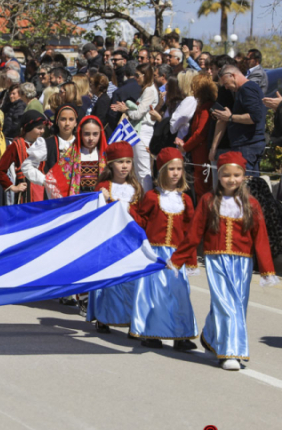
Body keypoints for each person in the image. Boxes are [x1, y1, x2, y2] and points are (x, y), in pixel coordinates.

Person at [169, 152, 278, 371]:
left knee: (237, 305)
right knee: (225, 305)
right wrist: (178, 259)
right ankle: (231, 352)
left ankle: (210, 337)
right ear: (219, 175)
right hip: (216, 260)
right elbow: (194, 233)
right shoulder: (209, 201)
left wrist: (267, 270)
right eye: (226, 175)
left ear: (244, 176)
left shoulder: (252, 204)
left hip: (243, 264)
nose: (232, 179)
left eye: (237, 175)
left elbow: (261, 238)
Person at [130, 148, 198, 349]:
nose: (176, 173)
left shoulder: (186, 200)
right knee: (155, 295)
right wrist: (127, 208)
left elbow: (190, 232)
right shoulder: (152, 197)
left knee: (179, 294)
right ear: (161, 171)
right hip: (155, 254)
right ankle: (152, 333)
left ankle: (181, 336)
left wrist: (191, 260)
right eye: (171, 169)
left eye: (179, 169)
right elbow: (142, 221)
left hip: (177, 255)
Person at [88, 141, 143, 334]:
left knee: (129, 281)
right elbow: (96, 214)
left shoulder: (136, 188)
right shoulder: (104, 186)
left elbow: (141, 216)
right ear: (111, 165)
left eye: (128, 161)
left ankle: (130, 318)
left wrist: (128, 211)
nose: (124, 166)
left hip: (129, 241)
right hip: (109, 241)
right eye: (120, 162)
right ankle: (103, 317)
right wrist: (102, 199)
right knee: (109, 281)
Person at [110, 63, 158, 191]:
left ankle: (146, 197)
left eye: (137, 75)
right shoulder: (146, 89)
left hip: (144, 130)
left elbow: (138, 114)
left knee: (143, 169)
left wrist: (125, 110)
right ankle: (141, 196)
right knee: (137, 169)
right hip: (139, 129)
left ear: (145, 75)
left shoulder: (149, 90)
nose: (135, 78)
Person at [43, 115, 108, 198]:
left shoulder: (106, 156)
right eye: (87, 134)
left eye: (95, 134)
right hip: (80, 199)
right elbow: (53, 179)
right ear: (80, 134)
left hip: (101, 199)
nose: (91, 138)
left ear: (101, 134)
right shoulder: (71, 154)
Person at [0, 110, 52, 204]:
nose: (42, 131)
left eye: (43, 128)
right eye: (39, 128)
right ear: (29, 127)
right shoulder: (17, 146)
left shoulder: (45, 144)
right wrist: (13, 187)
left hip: (43, 191)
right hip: (25, 194)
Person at [178, 73, 217, 199]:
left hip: (202, 156)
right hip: (199, 155)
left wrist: (185, 147)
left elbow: (200, 134)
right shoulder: (203, 106)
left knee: (203, 189)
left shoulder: (206, 109)